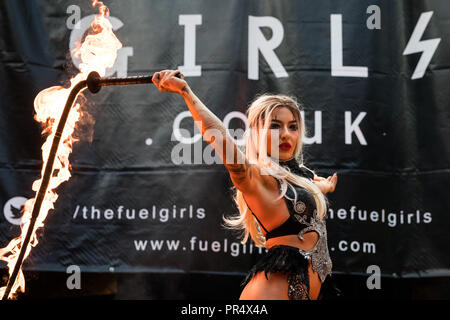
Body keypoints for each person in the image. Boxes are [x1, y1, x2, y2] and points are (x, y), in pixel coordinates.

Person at [152, 69, 338, 300]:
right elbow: (220, 140)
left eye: (292, 126)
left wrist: (324, 188)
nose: (285, 135)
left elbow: (306, 193)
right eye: (275, 126)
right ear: (257, 133)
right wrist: (186, 92)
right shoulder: (258, 179)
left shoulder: (301, 178)